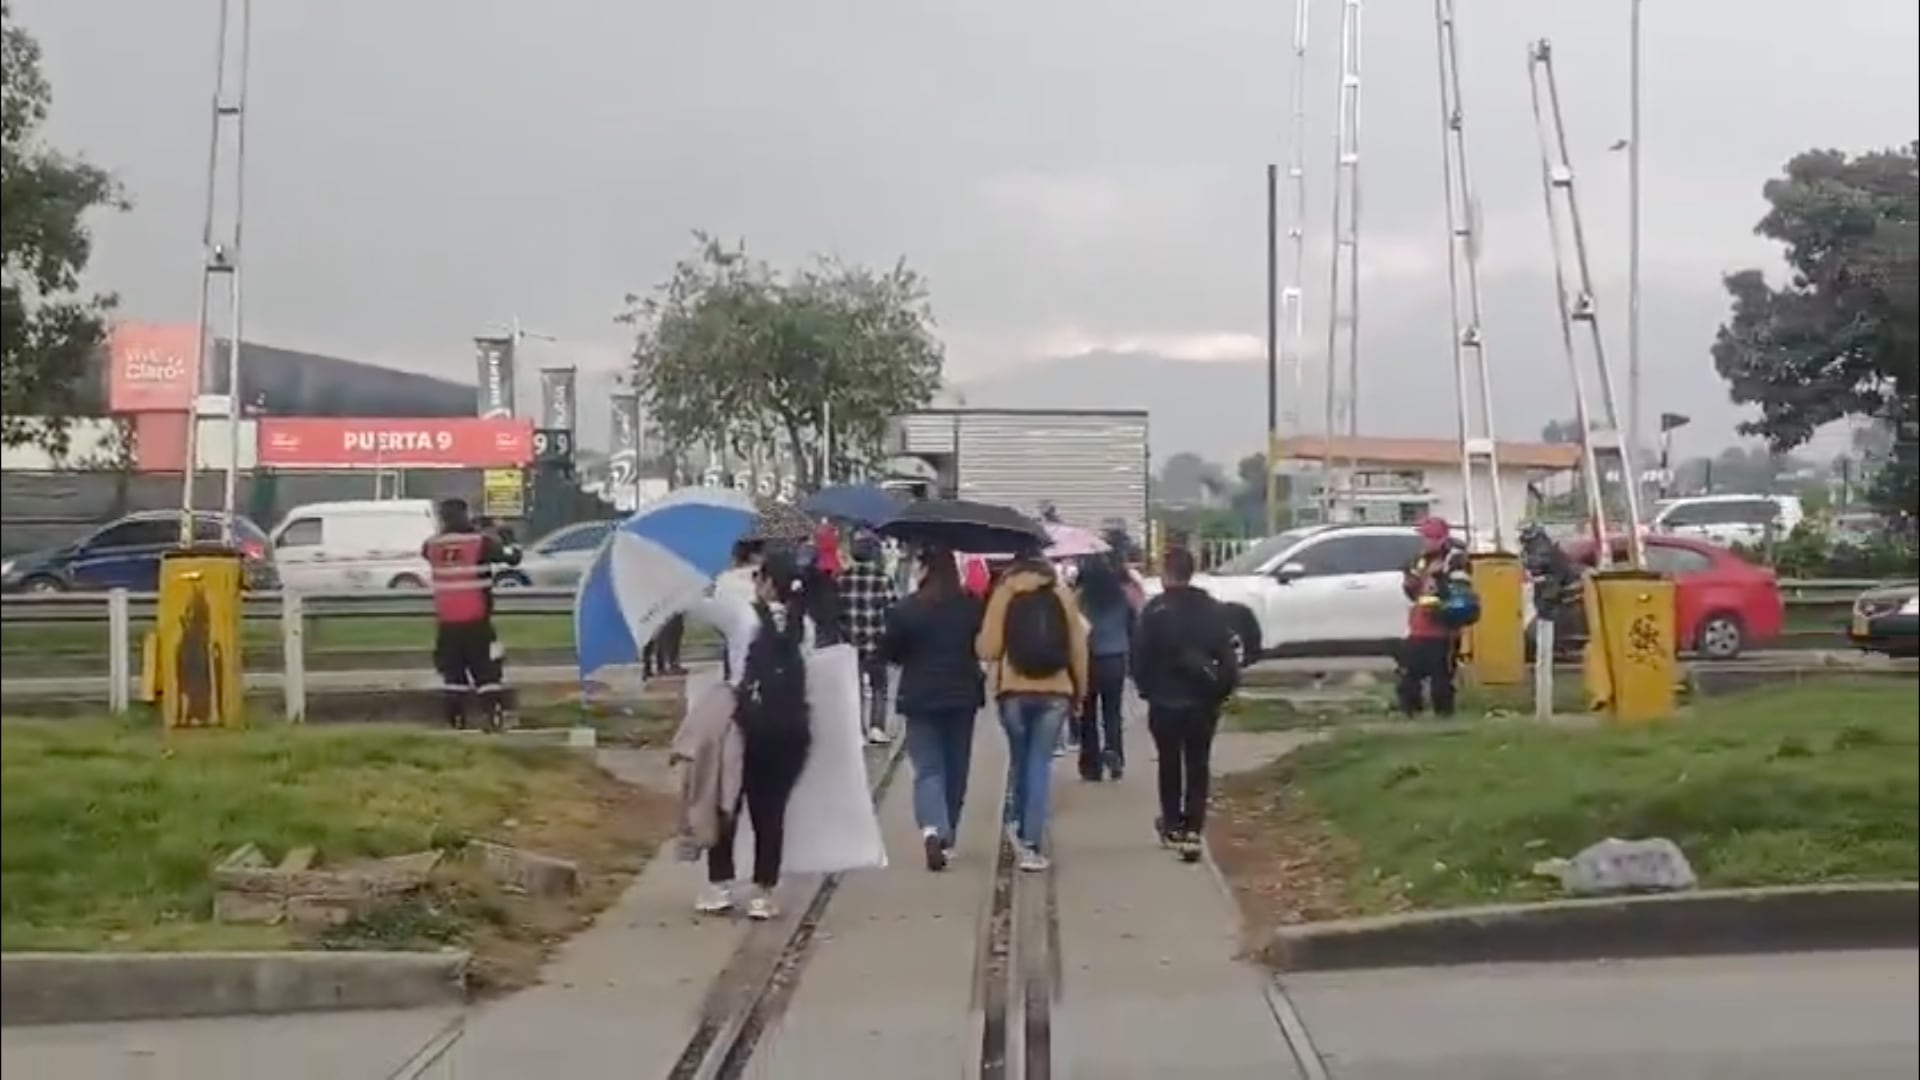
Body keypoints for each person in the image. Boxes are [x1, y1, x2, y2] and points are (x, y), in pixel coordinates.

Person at [695, 550, 814, 921]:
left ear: (764, 582)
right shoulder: (802, 624)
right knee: (771, 811)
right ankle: (764, 892)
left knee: (726, 801)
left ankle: (720, 885)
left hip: (745, 725)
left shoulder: (742, 616)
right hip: (791, 729)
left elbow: (697, 607)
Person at [976, 543, 1088, 872]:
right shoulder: (1061, 593)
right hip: (1055, 692)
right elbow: (1077, 648)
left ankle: (1015, 817)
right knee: (1039, 764)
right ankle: (1031, 844)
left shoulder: (1005, 592)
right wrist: (1079, 693)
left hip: (1013, 691)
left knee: (1020, 758)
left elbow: (989, 648)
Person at [1130, 546, 1238, 862]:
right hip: (1202, 701)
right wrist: (1222, 690)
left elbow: (1139, 657)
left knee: (1169, 763)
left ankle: (1173, 824)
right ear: (1191, 572)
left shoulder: (1154, 611)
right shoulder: (1213, 609)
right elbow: (1228, 657)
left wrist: (1146, 690)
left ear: (1166, 574)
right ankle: (1194, 827)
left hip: (1165, 701)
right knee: (1198, 764)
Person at [883, 546, 986, 871]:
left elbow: (892, 652)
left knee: (927, 769)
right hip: (961, 696)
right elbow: (979, 645)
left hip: (920, 697)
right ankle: (948, 834)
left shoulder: (907, 609)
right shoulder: (971, 606)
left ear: (925, 569)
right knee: (957, 768)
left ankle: (931, 828)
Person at [422, 498, 522, 731]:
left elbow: (445, 547)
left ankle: (455, 722)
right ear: (465, 514)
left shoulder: (431, 546)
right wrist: (507, 536)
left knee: (453, 673)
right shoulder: (481, 542)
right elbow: (512, 557)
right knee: (487, 670)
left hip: (447, 622)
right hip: (478, 619)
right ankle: (492, 717)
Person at [1074, 553, 1136, 782]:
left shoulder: (1080, 598)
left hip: (1088, 659)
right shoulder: (1120, 596)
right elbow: (1132, 624)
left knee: (1087, 714)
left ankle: (1091, 764)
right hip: (1115, 658)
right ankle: (1114, 751)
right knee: (1112, 712)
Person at [1399, 517, 1470, 718]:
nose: (1425, 542)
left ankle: (1444, 714)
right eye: (1424, 537)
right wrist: (1411, 580)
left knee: (1441, 677)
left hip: (1443, 631)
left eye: (1430, 537)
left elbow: (1459, 592)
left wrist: (1439, 582)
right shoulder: (1420, 559)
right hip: (1419, 627)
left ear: (1441, 538)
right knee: (1409, 675)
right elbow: (1412, 591)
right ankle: (1410, 711)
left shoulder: (1454, 561)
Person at [838, 532, 899, 745]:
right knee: (879, 687)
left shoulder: (842, 579)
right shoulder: (883, 579)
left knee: (854, 689)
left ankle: (857, 732)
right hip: (877, 642)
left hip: (850, 643)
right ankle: (876, 727)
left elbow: (836, 611)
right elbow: (893, 611)